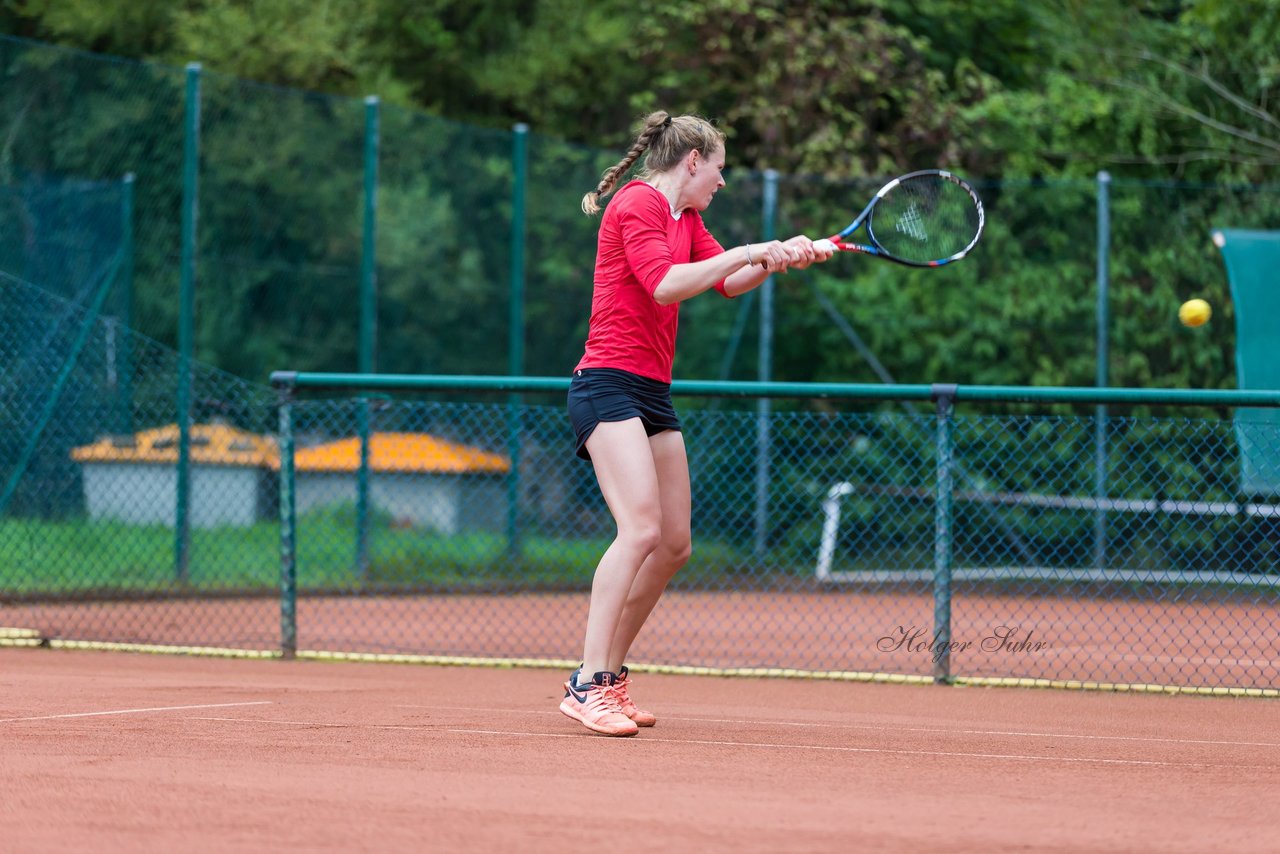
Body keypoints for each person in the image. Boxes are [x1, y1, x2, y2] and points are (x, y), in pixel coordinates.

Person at [560, 110, 833, 736]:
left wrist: (781, 257)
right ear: (692, 161)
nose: (722, 181)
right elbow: (663, 285)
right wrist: (753, 248)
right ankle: (588, 683)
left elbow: (728, 282)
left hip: (652, 391)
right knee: (639, 530)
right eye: (719, 169)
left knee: (674, 543)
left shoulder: (686, 218)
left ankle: (611, 675)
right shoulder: (636, 205)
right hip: (605, 383)